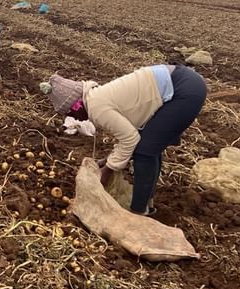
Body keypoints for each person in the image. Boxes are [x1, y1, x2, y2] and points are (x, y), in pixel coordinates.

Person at [48, 65, 207, 216]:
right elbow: (130, 132)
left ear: (77, 105)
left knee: (145, 152)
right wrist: (109, 159)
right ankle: (147, 204)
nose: (73, 118)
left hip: (183, 90)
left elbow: (130, 138)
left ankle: (138, 212)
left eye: (70, 113)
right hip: (183, 81)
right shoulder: (96, 96)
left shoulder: (96, 108)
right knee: (150, 145)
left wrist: (108, 170)